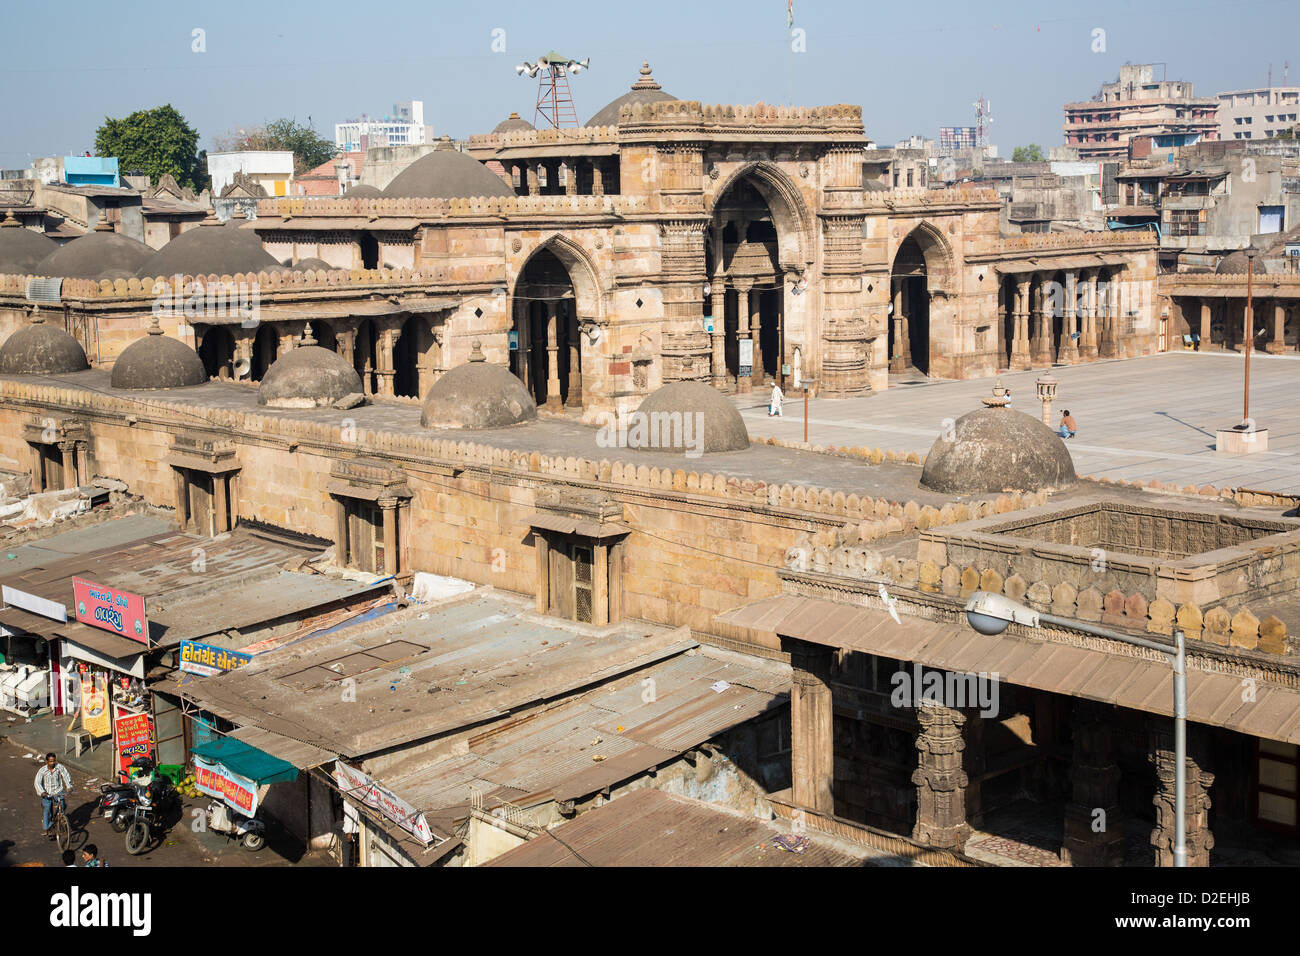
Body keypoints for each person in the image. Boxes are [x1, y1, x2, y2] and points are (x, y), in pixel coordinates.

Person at [35, 752, 72, 839]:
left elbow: (66, 776)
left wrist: (69, 786)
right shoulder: (42, 770)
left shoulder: (59, 767)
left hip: (58, 792)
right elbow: (37, 782)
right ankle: (46, 828)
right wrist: (42, 792)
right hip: (47, 794)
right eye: (50, 761)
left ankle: (61, 819)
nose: (52, 763)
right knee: (47, 810)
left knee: (61, 806)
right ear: (47, 761)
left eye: (54, 761)